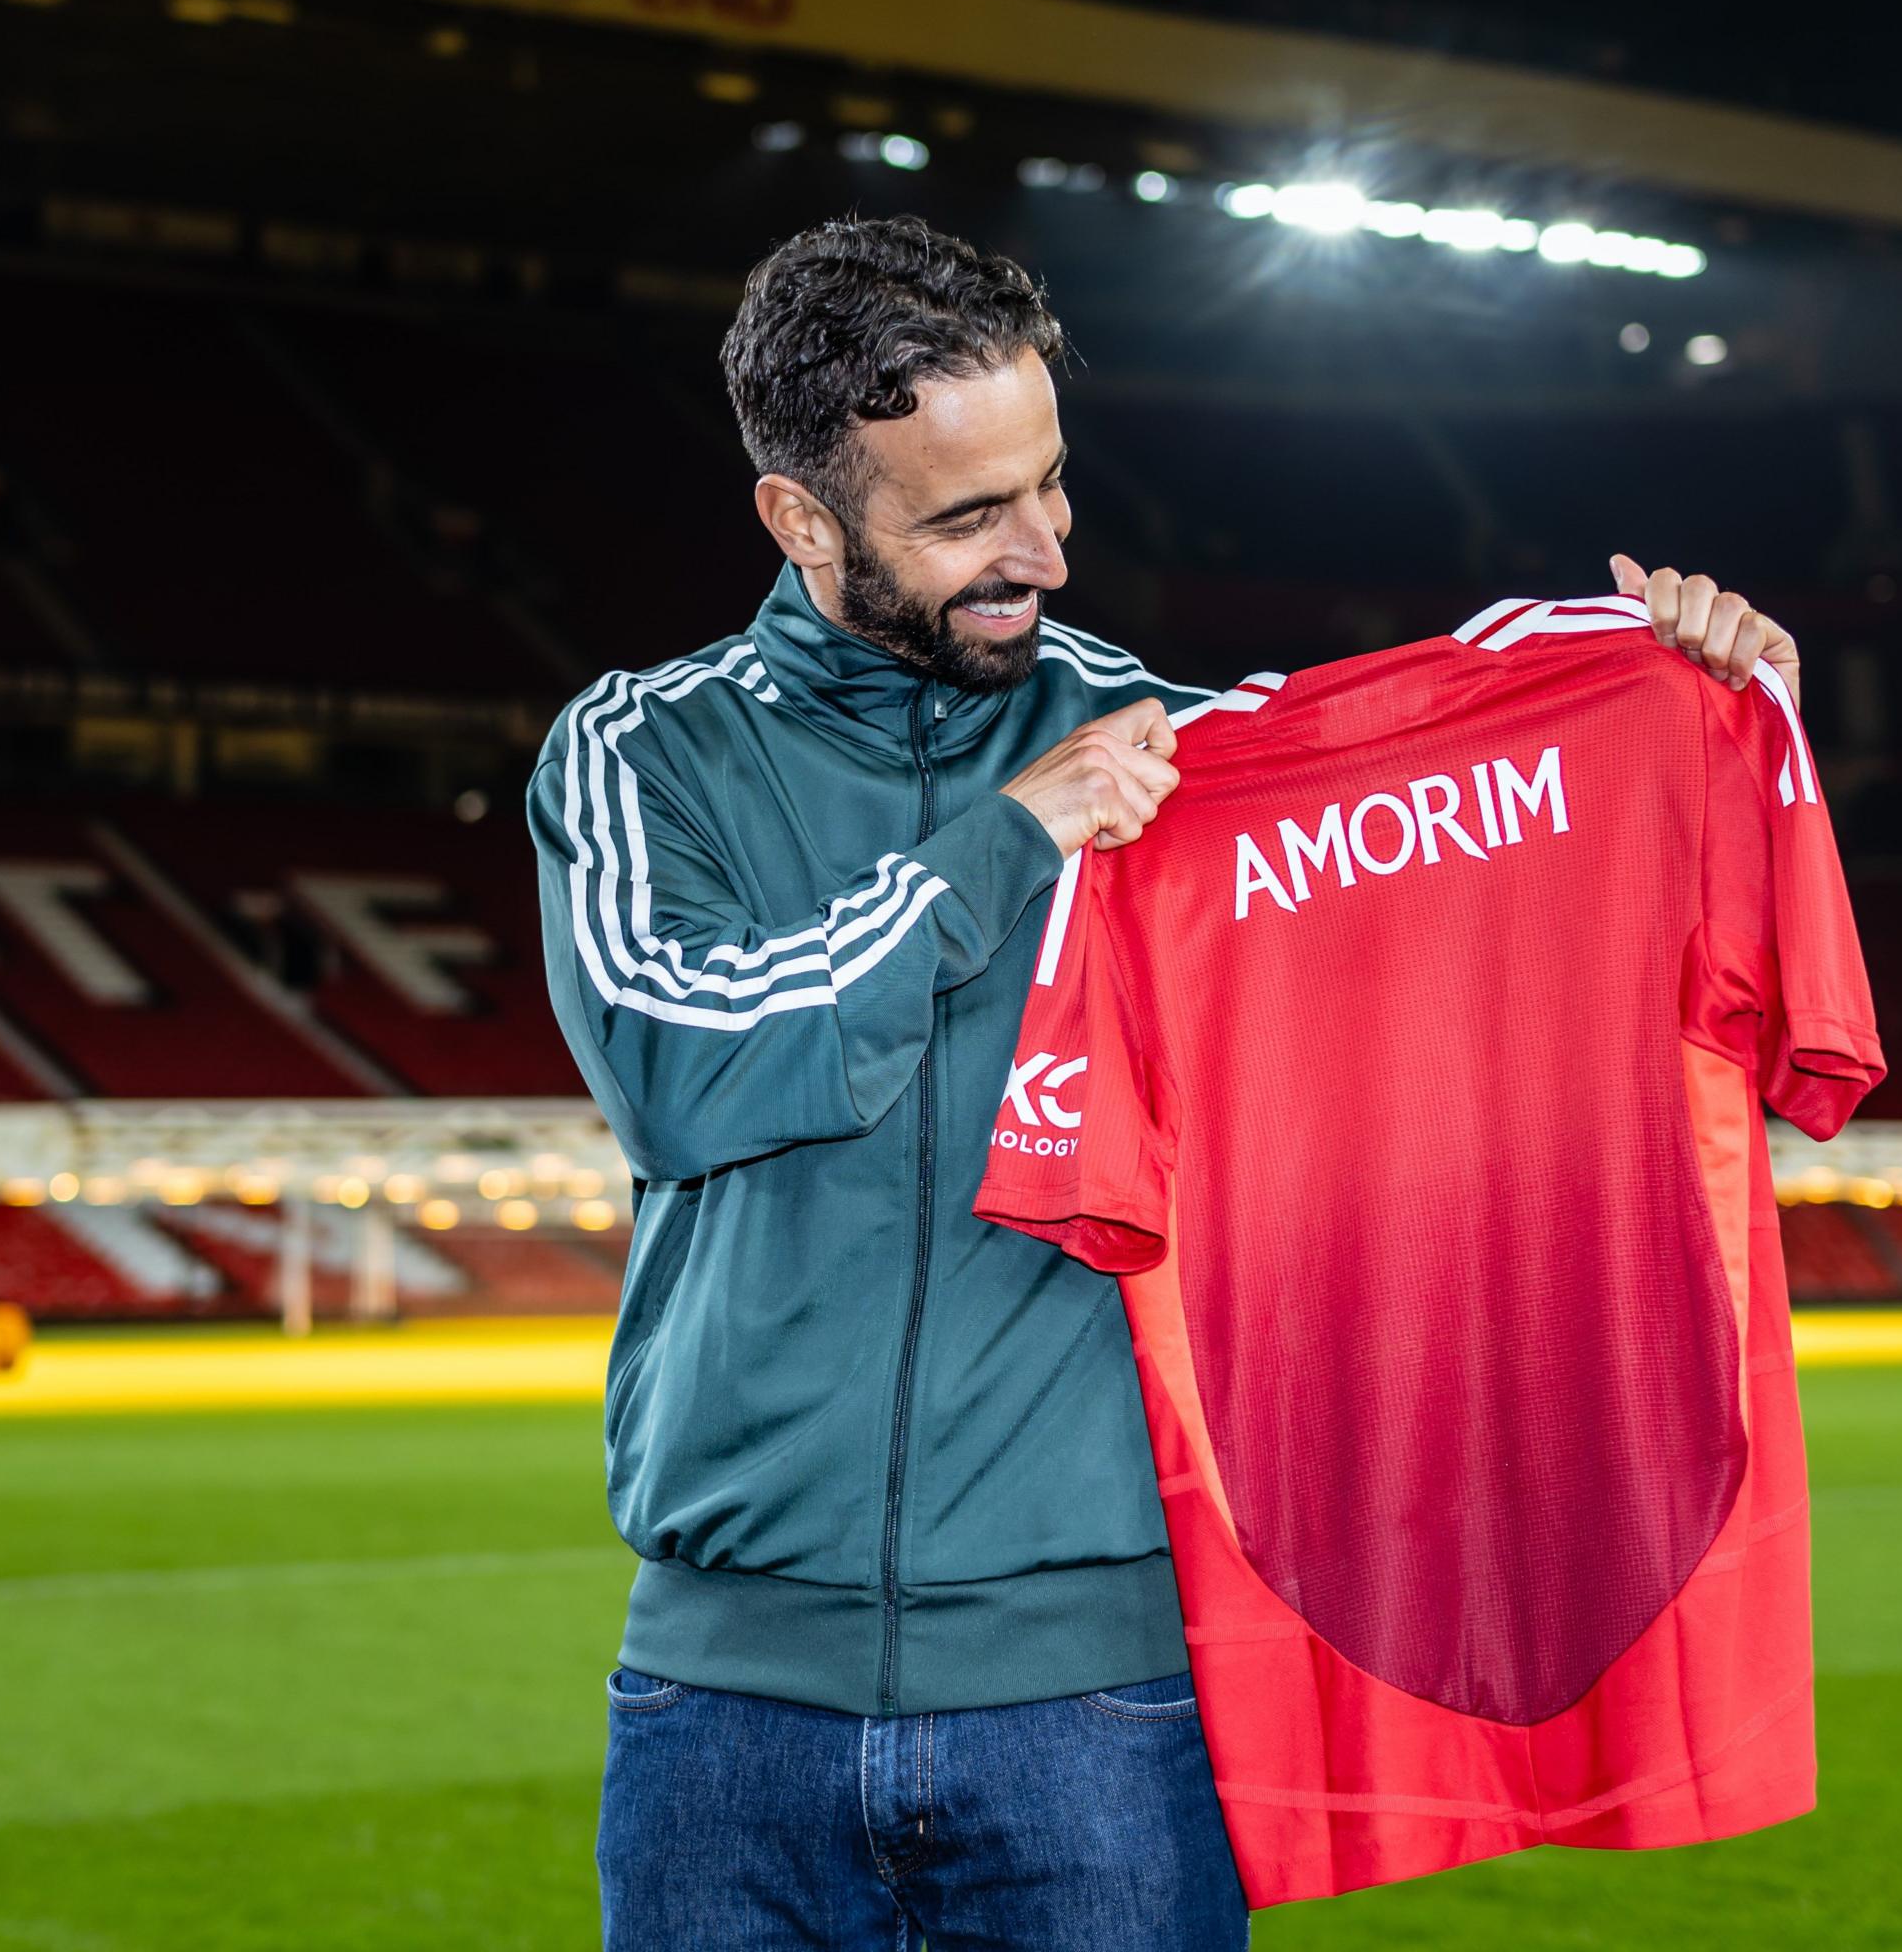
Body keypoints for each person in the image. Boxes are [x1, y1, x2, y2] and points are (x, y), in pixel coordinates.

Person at [529, 214, 1798, 1949]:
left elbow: (1474, 960)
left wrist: (1682, 731)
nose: (1045, 552)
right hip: (721, 1711)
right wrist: (1006, 847)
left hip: (1104, 1714)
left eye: (1052, 485)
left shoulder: (1188, 767)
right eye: (970, 517)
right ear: (802, 518)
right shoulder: (641, 749)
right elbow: (683, 1066)